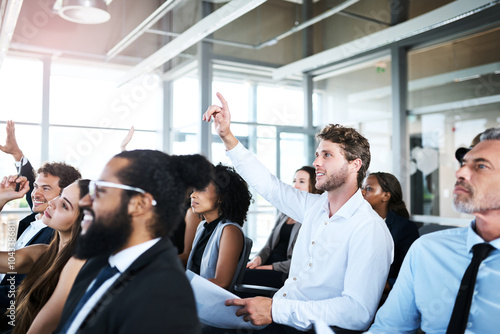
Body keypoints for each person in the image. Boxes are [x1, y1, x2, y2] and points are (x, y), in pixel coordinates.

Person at [202, 93, 393, 333]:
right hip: (284, 319)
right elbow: (269, 186)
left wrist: (275, 310)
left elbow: (357, 312)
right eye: (317, 154)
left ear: (355, 164)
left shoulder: (369, 229)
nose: (317, 163)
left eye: (327, 155)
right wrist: (227, 136)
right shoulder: (314, 207)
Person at [55, 149, 212, 334]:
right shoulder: (99, 262)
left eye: (100, 190)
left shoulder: (164, 297)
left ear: (139, 204)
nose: (85, 201)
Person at [368, 127, 500, 333]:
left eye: (481, 166)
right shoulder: (426, 250)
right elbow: (388, 329)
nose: (460, 172)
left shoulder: (405, 230)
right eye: (464, 164)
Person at [0, 121, 81, 317]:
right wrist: (17, 155)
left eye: (46, 189)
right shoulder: (41, 216)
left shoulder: (51, 241)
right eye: (36, 186)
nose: (35, 193)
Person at [0, 178, 89, 334]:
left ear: (83, 222)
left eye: (64, 205)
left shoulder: (79, 269)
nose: (52, 203)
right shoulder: (41, 253)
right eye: (60, 196)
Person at [243, 166, 323, 289]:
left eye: (301, 181)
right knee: (239, 268)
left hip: (284, 272)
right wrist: (258, 259)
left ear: (313, 186)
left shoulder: (313, 218)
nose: (295, 186)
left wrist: (269, 267)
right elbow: (268, 245)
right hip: (267, 263)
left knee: (241, 276)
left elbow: (302, 261)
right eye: (294, 181)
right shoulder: (285, 213)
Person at [187, 163, 252, 291]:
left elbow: (222, 283)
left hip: (210, 304)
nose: (192, 195)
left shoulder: (230, 231)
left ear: (221, 197)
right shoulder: (202, 226)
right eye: (194, 190)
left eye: (201, 190)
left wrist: (179, 287)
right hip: (193, 299)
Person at [361, 172, 419, 291]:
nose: (362, 192)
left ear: (386, 196)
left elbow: (410, 272)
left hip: (383, 294)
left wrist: (380, 286)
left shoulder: (405, 228)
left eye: (369, 189)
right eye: (362, 188)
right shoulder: (360, 223)